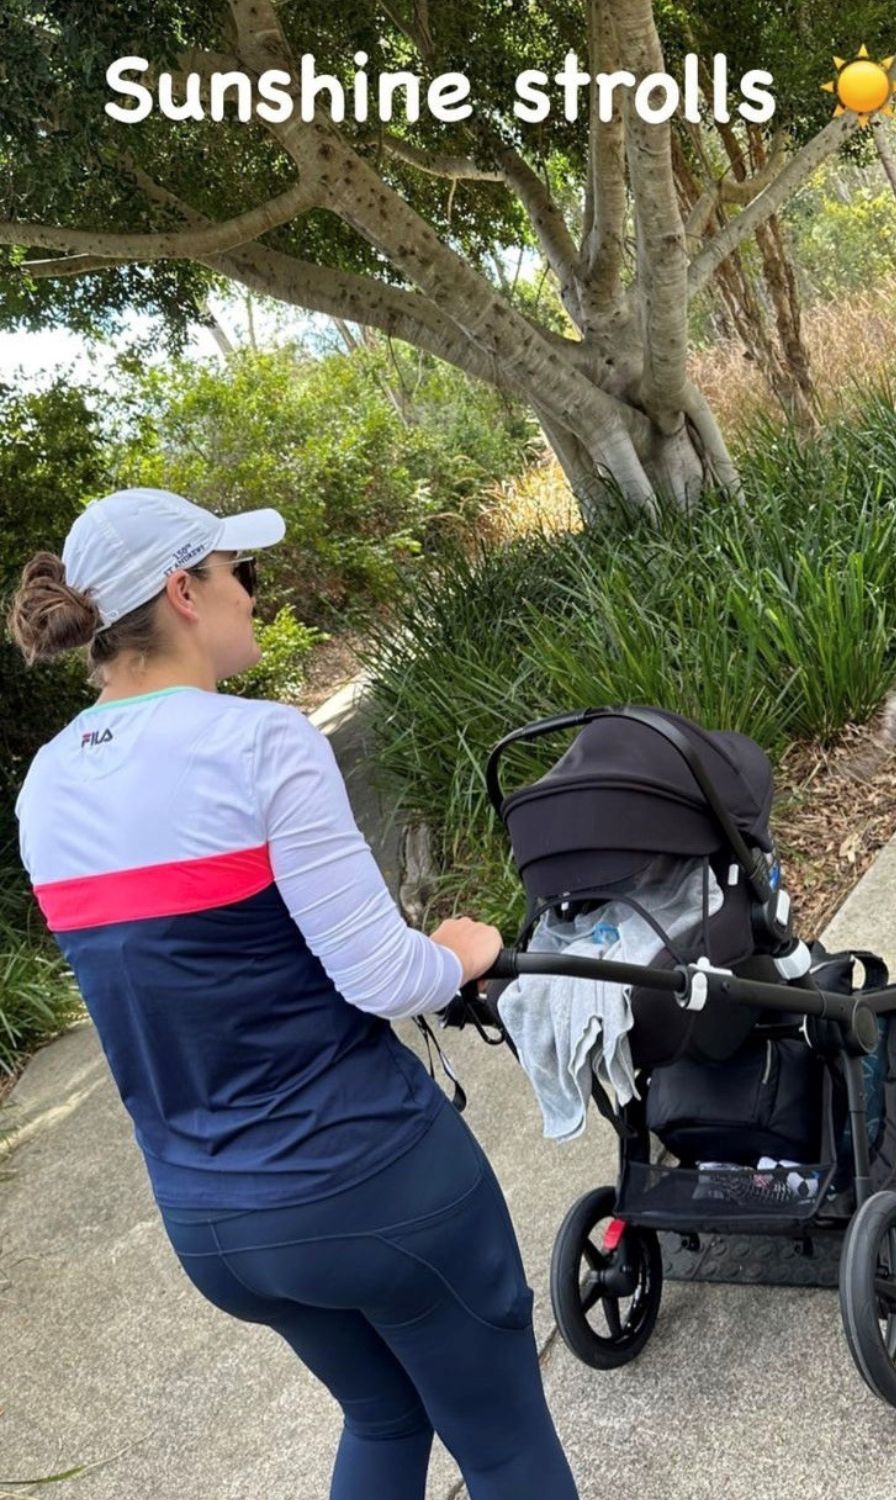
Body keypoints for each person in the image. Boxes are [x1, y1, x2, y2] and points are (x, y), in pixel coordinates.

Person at [9, 487, 579, 1500]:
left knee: (382, 1416)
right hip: (366, 1182)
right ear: (185, 590)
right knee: (498, 1447)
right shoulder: (260, 745)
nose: (253, 598)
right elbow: (380, 976)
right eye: (242, 575)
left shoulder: (45, 785)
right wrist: (463, 945)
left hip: (212, 1223)